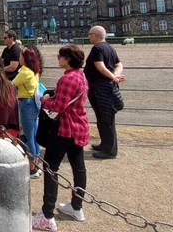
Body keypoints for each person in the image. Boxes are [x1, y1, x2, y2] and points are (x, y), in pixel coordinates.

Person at [32, 45, 90, 229]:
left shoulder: (68, 78)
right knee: (78, 167)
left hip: (65, 128)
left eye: (60, 56)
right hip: (79, 126)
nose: (58, 58)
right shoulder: (80, 75)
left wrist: (44, 100)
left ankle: (47, 215)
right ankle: (76, 206)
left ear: (68, 59)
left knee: (50, 168)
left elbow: (58, 106)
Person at [84, 25, 124, 159]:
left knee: (106, 119)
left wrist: (113, 77)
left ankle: (109, 150)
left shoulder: (97, 48)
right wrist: (115, 76)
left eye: (90, 34)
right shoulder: (109, 47)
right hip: (106, 86)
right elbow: (119, 65)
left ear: (96, 35)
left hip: (100, 88)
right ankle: (105, 144)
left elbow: (100, 67)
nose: (89, 36)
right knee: (103, 118)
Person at [13, 46, 43, 178]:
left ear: (26, 58)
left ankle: (32, 168)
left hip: (26, 104)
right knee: (34, 136)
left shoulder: (25, 72)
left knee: (29, 136)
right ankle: (36, 163)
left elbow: (11, 85)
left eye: (20, 56)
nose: (19, 58)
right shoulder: (34, 70)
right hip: (34, 104)